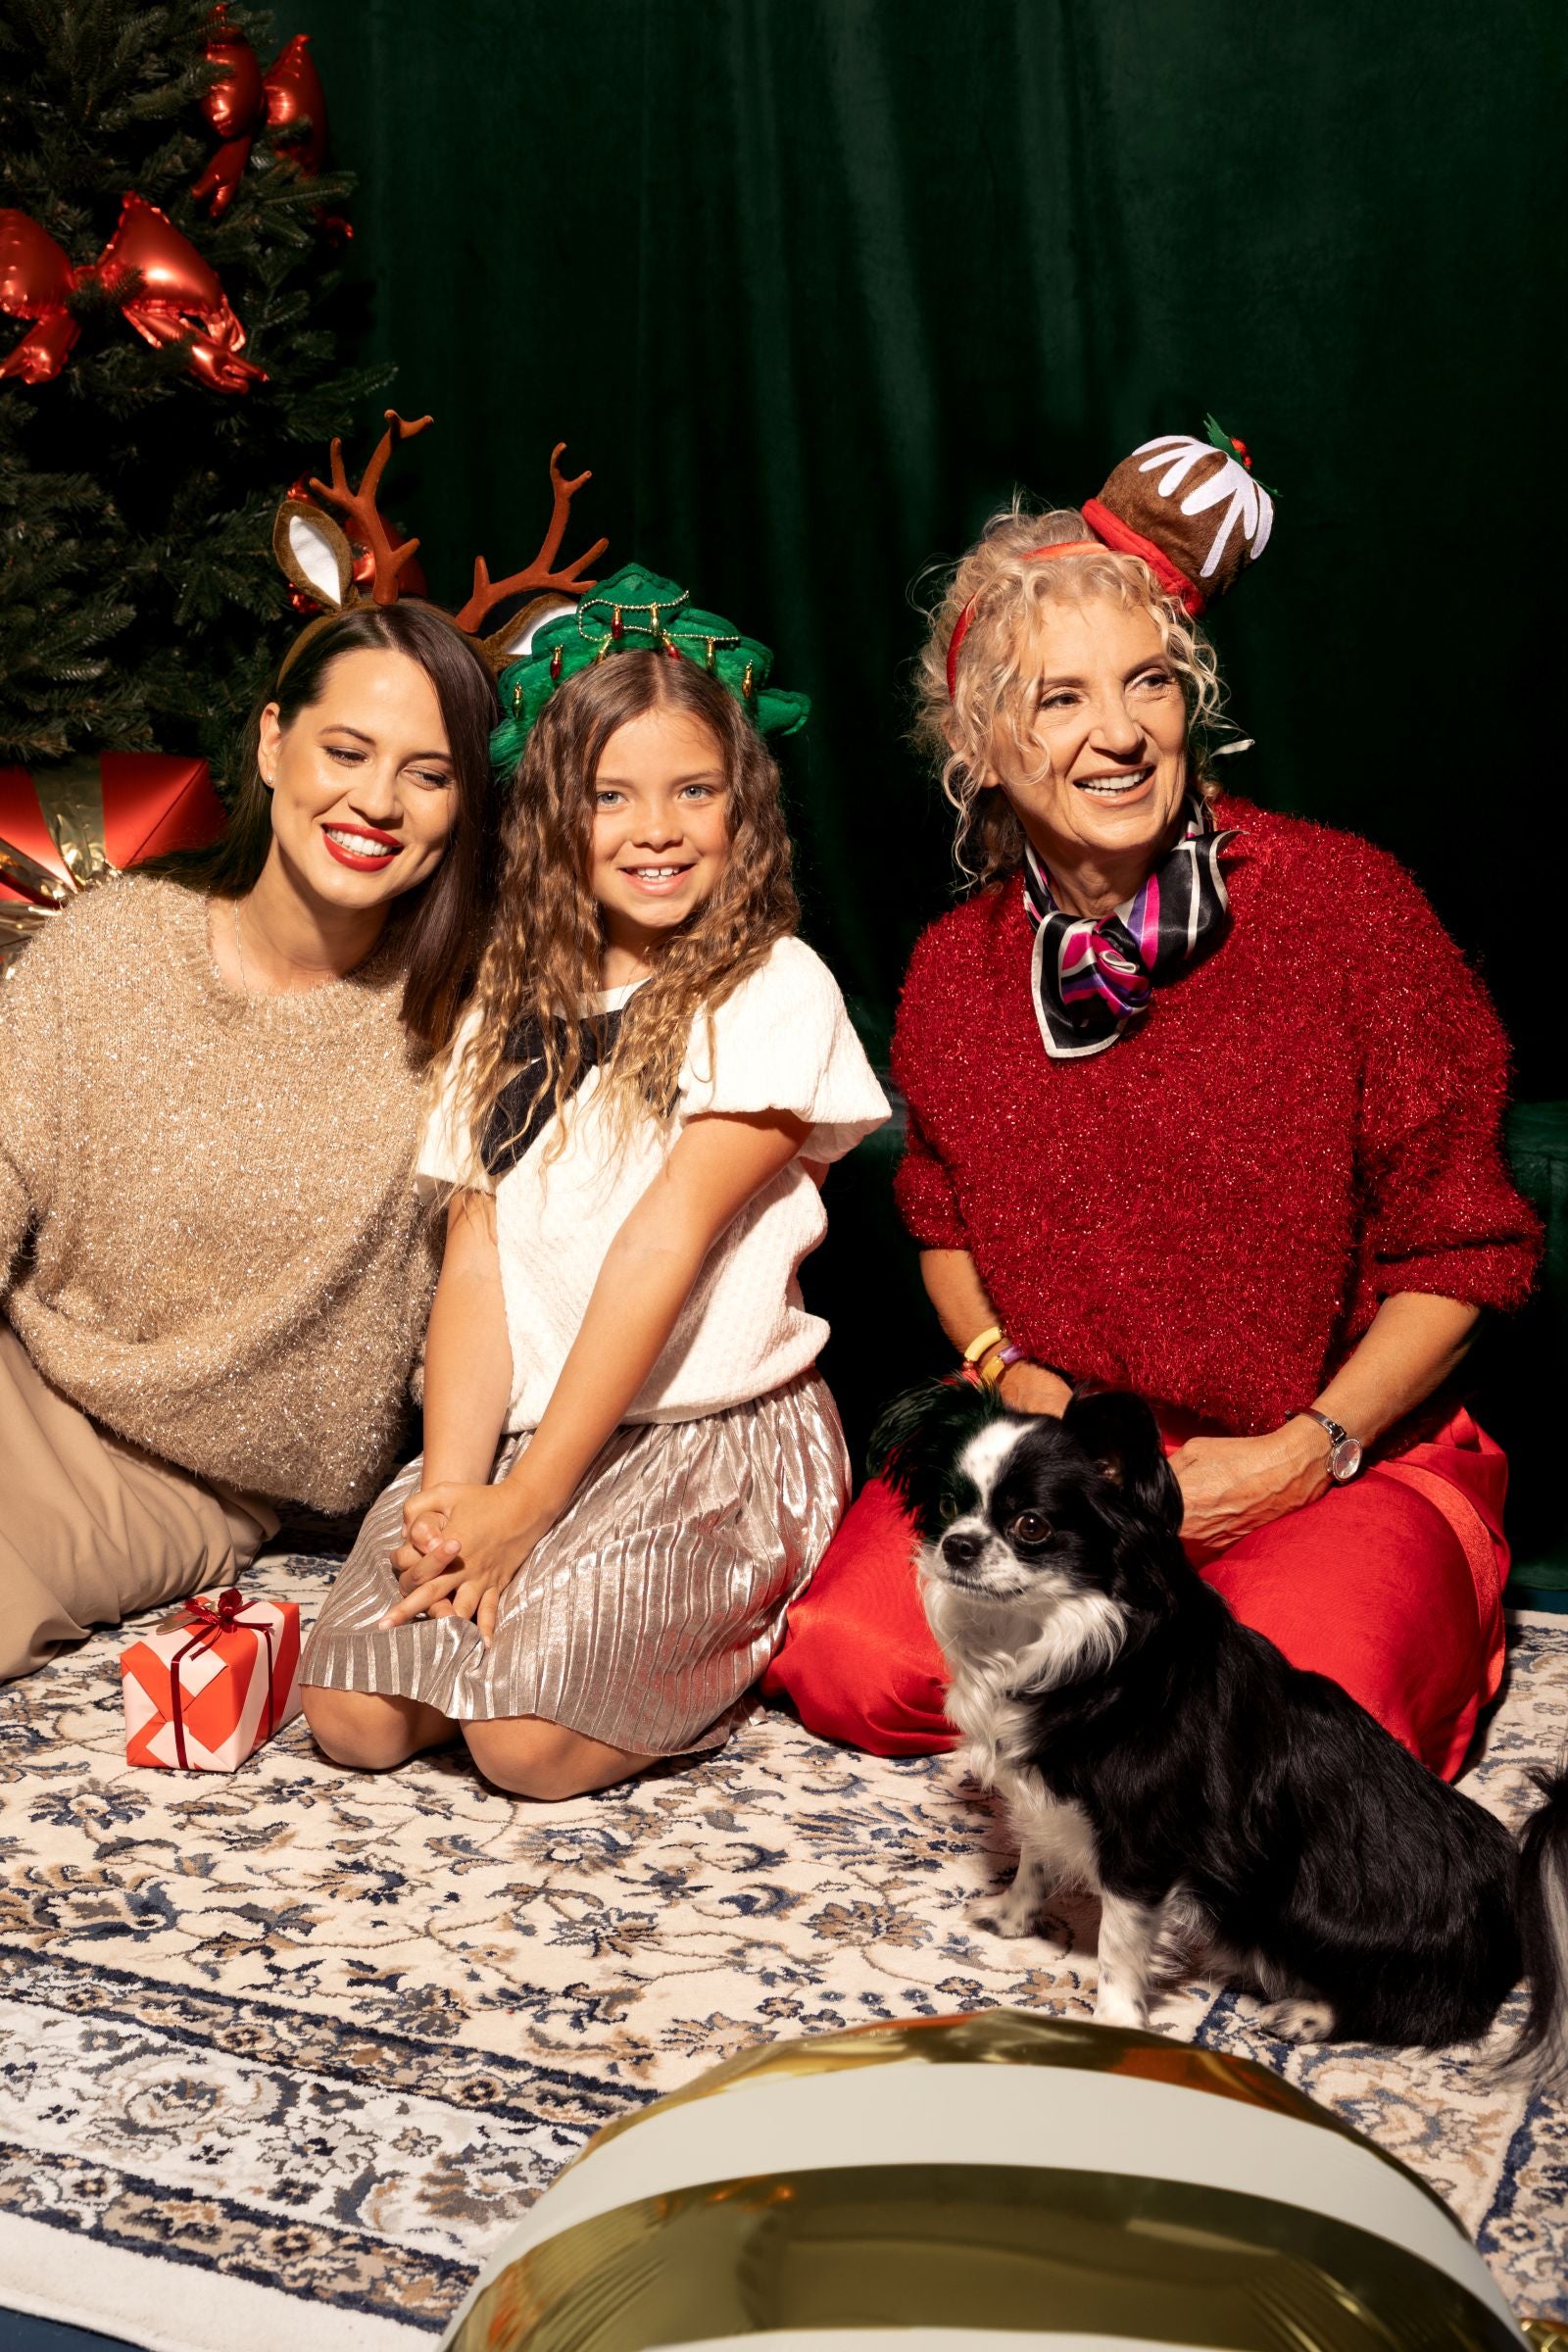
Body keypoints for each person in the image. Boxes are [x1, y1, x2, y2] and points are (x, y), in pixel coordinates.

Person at [764, 425, 1541, 1781]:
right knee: (853, 1661)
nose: (1117, 734)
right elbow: (939, 1221)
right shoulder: (957, 969)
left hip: (1331, 1454)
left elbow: (1462, 1251)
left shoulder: (1346, 907)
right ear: (981, 747)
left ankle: (1407, 1605)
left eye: (1148, 687)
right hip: (1068, 1474)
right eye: (1059, 701)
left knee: (1305, 1731)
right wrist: (1012, 1378)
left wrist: (1308, 1452)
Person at [301, 565, 890, 1800]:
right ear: (556, 815)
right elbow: (476, 1260)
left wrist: (530, 1506)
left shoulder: (772, 986)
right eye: (611, 797)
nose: (657, 829)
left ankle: (743, 1621)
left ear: (745, 810)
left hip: (699, 1438)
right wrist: (461, 1488)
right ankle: (532, 1572)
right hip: (519, 1427)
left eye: (693, 792)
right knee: (353, 1718)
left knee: (522, 1746)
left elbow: (658, 1245)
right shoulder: (507, 1002)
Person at [0, 596, 502, 1682]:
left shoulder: (467, 1025)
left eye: (428, 773)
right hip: (22, 1377)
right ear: (274, 743)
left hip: (181, 1476)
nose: (376, 800)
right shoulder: (116, 943)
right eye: (347, 750)